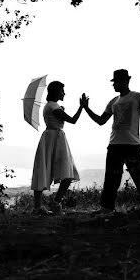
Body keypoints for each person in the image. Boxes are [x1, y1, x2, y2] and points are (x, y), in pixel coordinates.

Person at [81, 68, 140, 214]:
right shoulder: (113, 101)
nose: (113, 85)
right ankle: (106, 208)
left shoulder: (138, 97)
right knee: (111, 178)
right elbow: (101, 120)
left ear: (126, 81)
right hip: (114, 145)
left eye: (116, 82)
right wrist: (86, 108)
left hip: (132, 144)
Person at [30, 81, 82, 216]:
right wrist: (82, 107)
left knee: (43, 169)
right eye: (62, 90)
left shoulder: (51, 106)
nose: (64, 93)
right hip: (56, 138)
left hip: (50, 138)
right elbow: (73, 120)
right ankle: (56, 202)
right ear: (56, 92)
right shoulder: (54, 107)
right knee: (67, 172)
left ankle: (38, 206)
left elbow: (58, 116)